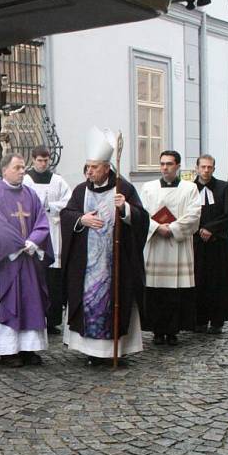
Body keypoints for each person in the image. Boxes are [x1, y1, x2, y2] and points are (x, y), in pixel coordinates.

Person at [60, 127, 149, 366]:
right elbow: (68, 214)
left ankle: (115, 351)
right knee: (89, 304)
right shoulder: (80, 191)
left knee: (115, 304)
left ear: (107, 168)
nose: (89, 171)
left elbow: (142, 219)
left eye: (94, 167)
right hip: (87, 265)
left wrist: (126, 210)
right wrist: (81, 219)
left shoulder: (124, 189)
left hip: (115, 264)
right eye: (87, 167)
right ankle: (92, 352)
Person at [0, 153, 52, 367]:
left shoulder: (30, 194)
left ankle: (29, 349)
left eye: (23, 167)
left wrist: (34, 241)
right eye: (17, 167)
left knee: (30, 301)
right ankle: (7, 351)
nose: (22, 171)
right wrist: (19, 245)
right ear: (4, 170)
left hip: (29, 258)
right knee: (7, 302)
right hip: (6, 260)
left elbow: (42, 221)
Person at [140, 150, 201, 345]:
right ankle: (157, 331)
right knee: (155, 292)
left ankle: (173, 331)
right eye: (162, 164)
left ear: (178, 166)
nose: (165, 167)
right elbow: (141, 214)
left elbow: (194, 216)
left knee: (175, 293)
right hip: (155, 246)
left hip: (178, 247)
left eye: (169, 164)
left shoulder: (189, 188)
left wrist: (173, 228)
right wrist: (157, 227)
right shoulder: (148, 188)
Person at [23, 145, 72, 334]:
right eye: (39, 160)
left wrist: (50, 206)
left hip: (53, 230)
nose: (43, 164)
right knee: (36, 276)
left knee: (53, 280)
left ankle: (52, 321)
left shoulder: (58, 180)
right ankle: (36, 316)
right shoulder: (26, 180)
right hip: (33, 232)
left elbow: (69, 201)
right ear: (33, 160)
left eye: (46, 160)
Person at [193, 155, 228, 333]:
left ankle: (217, 321)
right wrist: (199, 230)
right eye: (203, 167)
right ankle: (199, 319)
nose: (206, 170)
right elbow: (186, 213)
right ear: (197, 168)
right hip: (197, 242)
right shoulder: (190, 189)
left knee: (218, 282)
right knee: (198, 280)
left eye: (209, 167)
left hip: (218, 244)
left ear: (214, 168)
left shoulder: (225, 187)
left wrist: (211, 229)